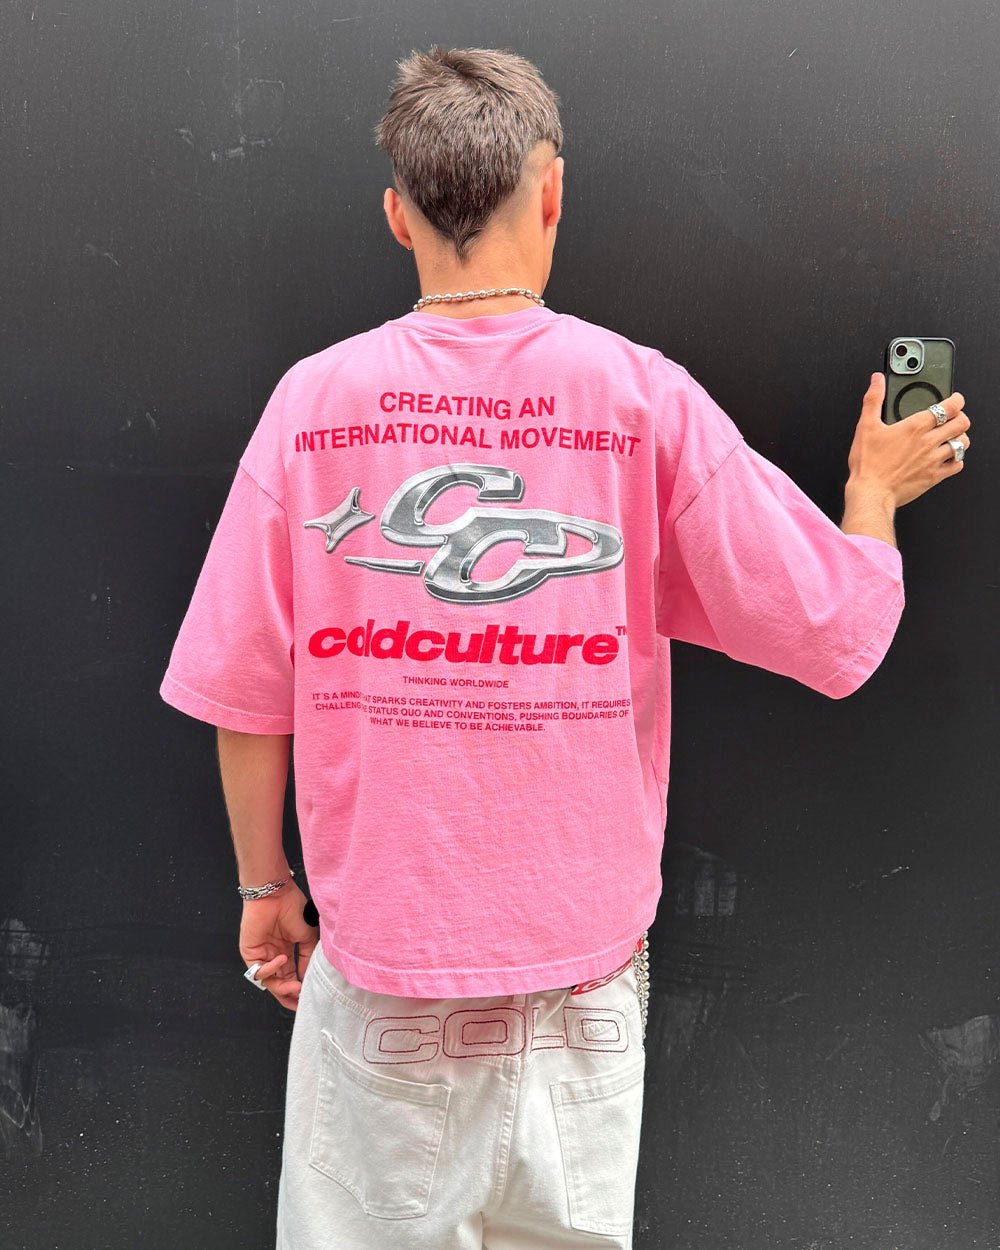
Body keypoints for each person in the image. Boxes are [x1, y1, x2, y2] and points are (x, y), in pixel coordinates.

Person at [158, 44, 971, 1250]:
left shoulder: (312, 403)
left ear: (397, 214)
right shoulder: (640, 396)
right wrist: (872, 493)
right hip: (579, 983)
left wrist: (263, 886)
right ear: (550, 194)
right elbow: (829, 624)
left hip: (385, 977)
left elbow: (246, 683)